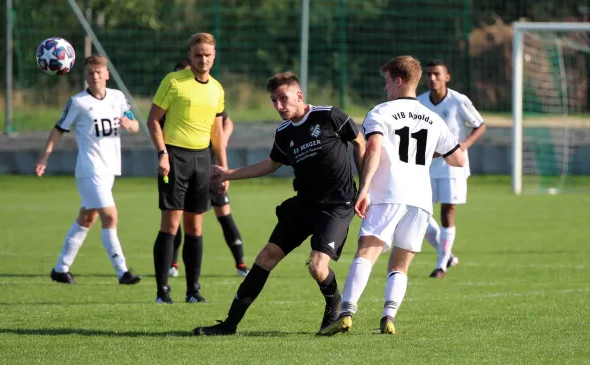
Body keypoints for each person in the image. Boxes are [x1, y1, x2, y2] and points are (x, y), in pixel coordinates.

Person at [193, 71, 366, 336]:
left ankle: (335, 305)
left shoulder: (329, 115)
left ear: (299, 95)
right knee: (265, 257)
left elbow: (361, 144)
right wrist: (230, 174)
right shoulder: (284, 132)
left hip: (336, 206)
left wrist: (365, 188)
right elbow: (271, 164)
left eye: (283, 99)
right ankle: (229, 325)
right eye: (274, 100)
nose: (278, 106)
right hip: (303, 206)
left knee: (318, 267)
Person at [319, 56, 465, 336]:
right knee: (401, 263)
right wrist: (426, 153)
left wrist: (363, 190)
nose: (385, 87)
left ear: (399, 81)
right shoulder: (434, 119)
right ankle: (388, 318)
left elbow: (372, 150)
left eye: (387, 81)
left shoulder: (381, 112)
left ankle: (346, 313)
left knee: (366, 253)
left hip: (388, 193)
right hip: (420, 199)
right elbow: (457, 159)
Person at [35, 55, 142, 285]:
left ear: (106, 74)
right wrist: (44, 158)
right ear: (85, 76)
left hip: (110, 168)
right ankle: (122, 271)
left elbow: (134, 124)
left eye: (98, 72)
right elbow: (58, 130)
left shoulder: (118, 97)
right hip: (89, 169)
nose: (94, 76)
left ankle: (61, 268)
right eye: (90, 73)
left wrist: (128, 123)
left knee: (87, 217)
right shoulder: (78, 102)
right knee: (110, 214)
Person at [147, 33, 228, 304]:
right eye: (198, 55)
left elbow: (217, 131)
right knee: (171, 224)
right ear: (190, 56)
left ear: (214, 56)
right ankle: (162, 291)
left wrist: (223, 168)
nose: (203, 59)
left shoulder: (217, 88)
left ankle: (193, 291)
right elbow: (153, 120)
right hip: (175, 157)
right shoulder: (173, 81)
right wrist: (162, 154)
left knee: (195, 226)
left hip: (202, 160)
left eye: (207, 55)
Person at [162, 61, 248, 279]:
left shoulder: (210, 94)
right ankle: (173, 264)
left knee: (224, 214)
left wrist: (221, 141)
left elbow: (226, 123)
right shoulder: (173, 100)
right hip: (182, 165)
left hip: (210, 165)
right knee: (179, 219)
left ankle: (241, 264)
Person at [417, 59, 486, 278]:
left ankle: (441, 265)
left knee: (448, 211)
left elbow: (479, 124)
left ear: (447, 77)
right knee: (420, 212)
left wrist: (463, 146)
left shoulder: (458, 100)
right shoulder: (419, 102)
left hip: (452, 166)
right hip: (426, 165)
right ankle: (447, 254)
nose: (432, 78)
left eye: (437, 74)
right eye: (428, 74)